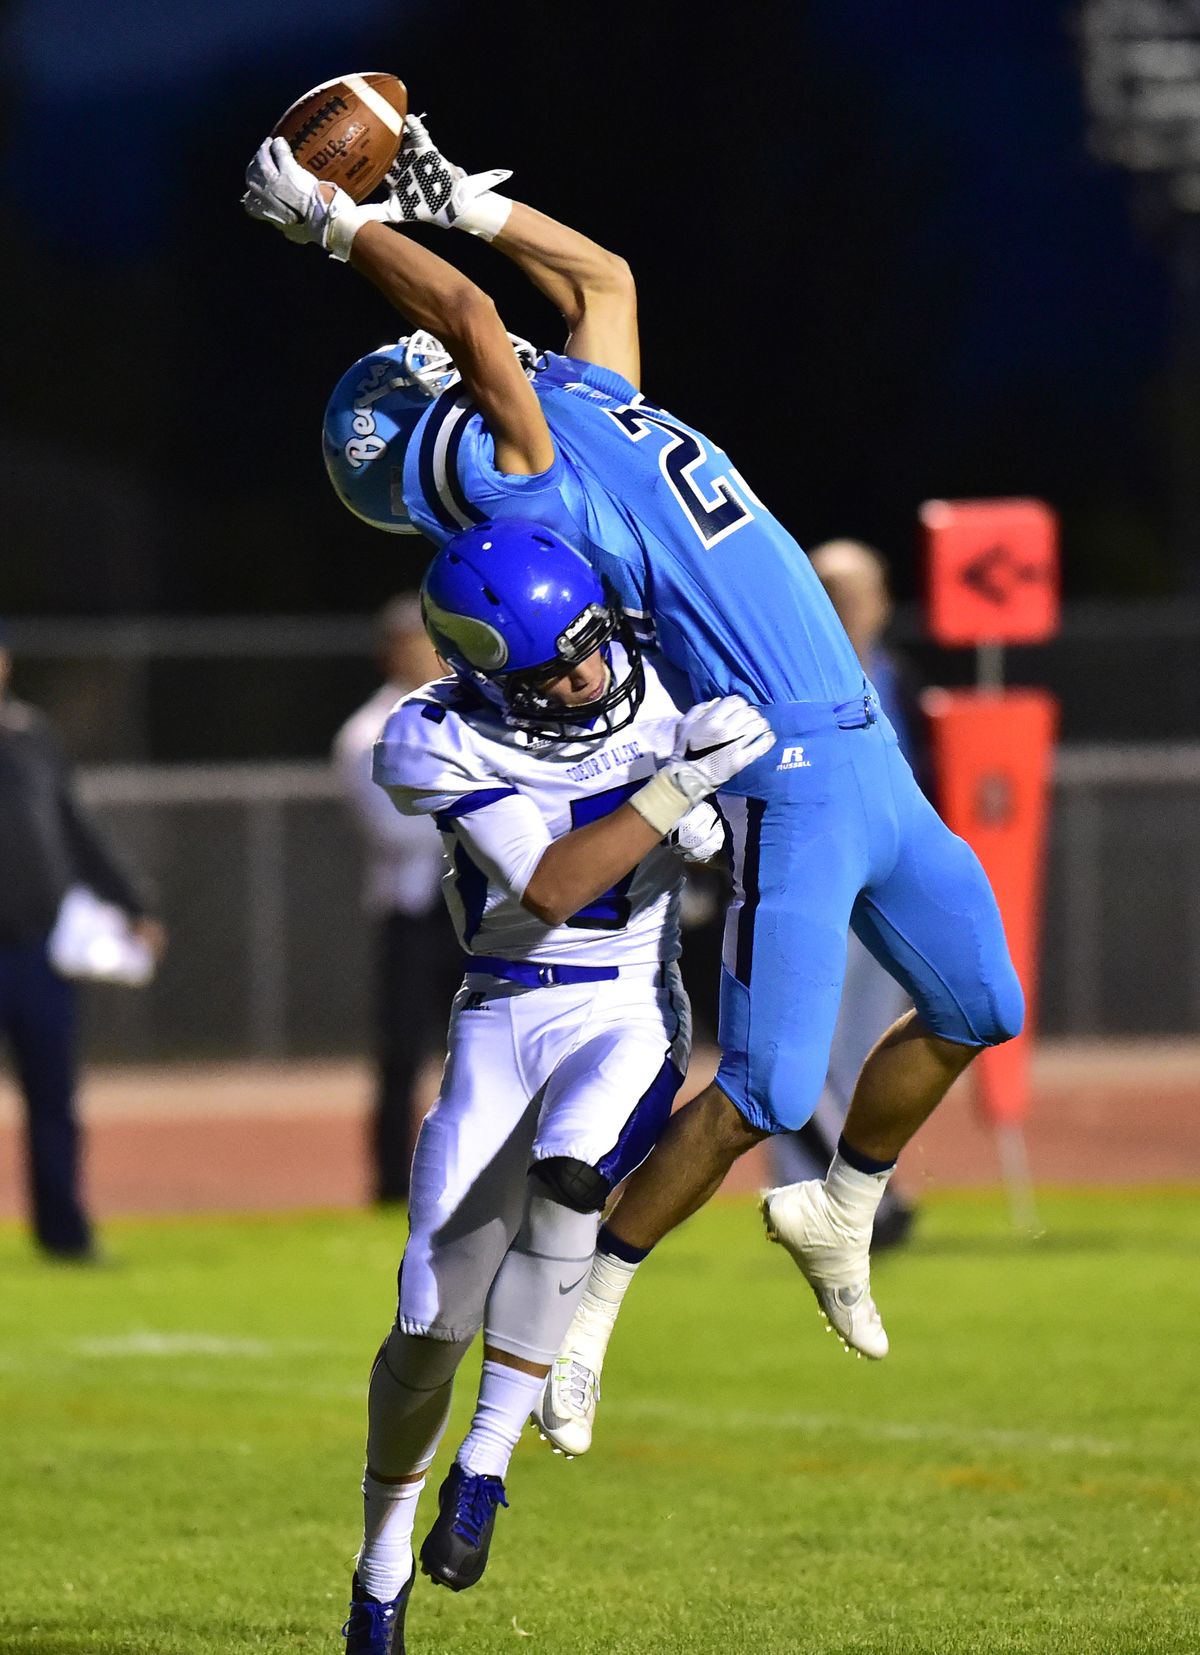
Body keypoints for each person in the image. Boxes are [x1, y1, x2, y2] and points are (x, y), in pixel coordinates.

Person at [243, 116, 1023, 1411]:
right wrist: (347, 229)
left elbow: (603, 279)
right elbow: (480, 324)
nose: (442, 352)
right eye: (429, 369)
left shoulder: (586, 402)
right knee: (766, 1087)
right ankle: (587, 1297)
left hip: (866, 746)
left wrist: (455, 199)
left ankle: (847, 1205)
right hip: (789, 758)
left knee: (978, 1000)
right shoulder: (519, 477)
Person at [338, 524, 769, 1652]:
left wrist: (730, 817)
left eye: (586, 648)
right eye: (551, 669)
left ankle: (485, 1465)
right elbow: (554, 880)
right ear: (481, 671)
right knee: (430, 1318)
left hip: (625, 1004)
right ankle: (379, 1566)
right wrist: (681, 790)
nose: (583, 676)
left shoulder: (660, 666)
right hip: (499, 1013)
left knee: (574, 1180)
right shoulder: (435, 733)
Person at [768, 540, 929, 1249]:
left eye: (857, 591)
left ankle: (862, 1193)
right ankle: (802, 1199)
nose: (846, 606)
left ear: (884, 599)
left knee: (872, 1048)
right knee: (800, 1046)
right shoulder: (786, 678)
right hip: (812, 890)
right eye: (830, 590)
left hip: (889, 891)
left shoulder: (906, 680)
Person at [0, 622, 165, 1259]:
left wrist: (132, 901)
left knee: (54, 1100)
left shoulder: (31, 735)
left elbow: (73, 824)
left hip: (40, 949)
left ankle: (64, 1234)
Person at [332, 595, 463, 1203]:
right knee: (402, 1056)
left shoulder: (470, 717)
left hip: (473, 910)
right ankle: (389, 1186)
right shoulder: (366, 732)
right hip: (412, 911)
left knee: (482, 1050)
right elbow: (394, 828)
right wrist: (479, 810)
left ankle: (479, 1177)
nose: (430, 655)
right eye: (414, 641)